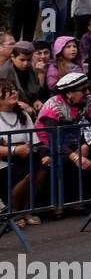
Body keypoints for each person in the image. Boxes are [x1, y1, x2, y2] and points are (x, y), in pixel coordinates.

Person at [35, 70, 91, 211]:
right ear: (69, 93)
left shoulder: (88, 100)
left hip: (74, 140)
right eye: (83, 90)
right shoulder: (53, 106)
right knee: (58, 159)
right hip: (48, 144)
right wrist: (74, 156)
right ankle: (61, 202)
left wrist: (86, 145)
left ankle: (89, 198)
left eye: (87, 88)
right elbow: (51, 137)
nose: (88, 92)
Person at [0, 78, 51, 227]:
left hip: (24, 158)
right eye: (7, 90)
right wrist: (15, 150)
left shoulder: (23, 113)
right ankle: (13, 211)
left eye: (14, 89)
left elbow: (35, 141)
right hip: (3, 162)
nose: (13, 93)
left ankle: (26, 208)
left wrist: (44, 155)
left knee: (42, 168)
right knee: (28, 173)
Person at [4, 41, 42, 114]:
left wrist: (36, 100)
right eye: (22, 60)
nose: (26, 63)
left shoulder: (30, 69)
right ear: (13, 57)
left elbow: (34, 89)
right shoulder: (5, 72)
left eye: (28, 60)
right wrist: (18, 102)